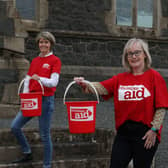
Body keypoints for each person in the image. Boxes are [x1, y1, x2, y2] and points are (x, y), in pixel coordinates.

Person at [74, 38, 168, 168]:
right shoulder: (121, 78)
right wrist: (85, 83)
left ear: (145, 54)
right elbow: (102, 87)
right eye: (130, 54)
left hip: (145, 133)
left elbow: (161, 107)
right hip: (124, 133)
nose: (133, 56)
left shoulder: (154, 77)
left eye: (137, 52)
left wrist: (154, 130)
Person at [11, 31, 61, 168]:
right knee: (15, 126)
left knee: (44, 135)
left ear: (51, 44)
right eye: (41, 42)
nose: (43, 44)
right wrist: (25, 97)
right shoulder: (35, 61)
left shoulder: (55, 60)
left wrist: (40, 79)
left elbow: (53, 82)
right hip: (32, 99)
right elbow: (27, 80)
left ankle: (47, 165)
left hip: (45, 100)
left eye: (46, 42)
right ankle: (27, 152)